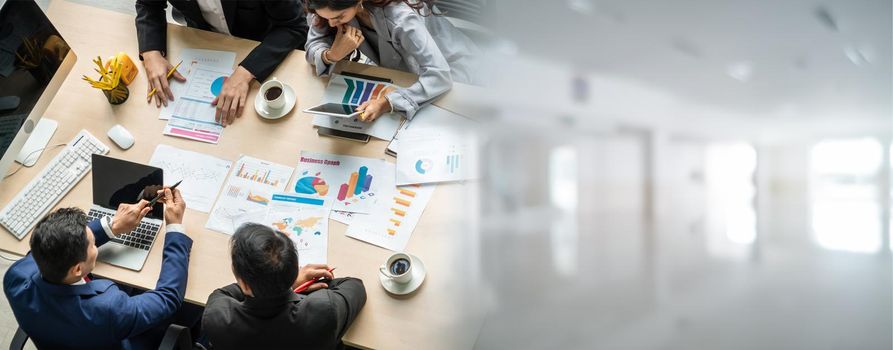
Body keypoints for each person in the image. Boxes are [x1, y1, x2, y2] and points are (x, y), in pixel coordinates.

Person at [3, 188, 198, 349]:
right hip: (119, 339)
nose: (95, 244)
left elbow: (40, 248)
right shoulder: (108, 308)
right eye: (92, 244)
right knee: (192, 307)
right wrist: (174, 228)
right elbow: (168, 297)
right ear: (77, 269)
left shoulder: (16, 276)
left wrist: (112, 226)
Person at [135, 0, 310, 126]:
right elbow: (148, 4)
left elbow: (294, 26)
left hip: (261, 45)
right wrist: (151, 52)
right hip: (205, 41)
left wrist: (245, 73)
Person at [305, 0, 481, 121]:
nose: (332, 25)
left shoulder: (400, 18)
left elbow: (440, 75)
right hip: (407, 77)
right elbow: (313, 43)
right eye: (327, 18)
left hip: (454, 73)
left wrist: (387, 102)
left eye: (338, 17)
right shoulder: (328, 8)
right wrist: (331, 55)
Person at [202, 223, 366, 349]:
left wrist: (281, 283)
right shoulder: (322, 312)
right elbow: (355, 286)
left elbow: (226, 294)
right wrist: (286, 283)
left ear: (244, 284)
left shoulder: (217, 317)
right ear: (295, 270)